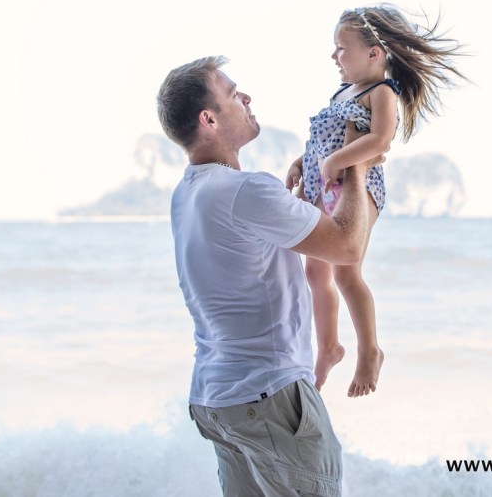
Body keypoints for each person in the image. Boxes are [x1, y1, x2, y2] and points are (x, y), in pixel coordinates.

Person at [157, 55, 377, 497]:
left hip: (217, 400)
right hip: (269, 396)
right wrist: (357, 165)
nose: (247, 98)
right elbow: (348, 246)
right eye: (233, 93)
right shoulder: (245, 190)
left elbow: (251, 246)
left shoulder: (189, 192)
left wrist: (296, 197)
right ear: (209, 118)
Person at [285, 4, 467, 397]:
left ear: (374, 53)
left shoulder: (381, 91)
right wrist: (303, 163)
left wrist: (335, 161)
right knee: (315, 273)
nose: (334, 57)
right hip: (321, 188)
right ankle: (329, 347)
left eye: (340, 48)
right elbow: (324, 139)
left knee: (347, 272)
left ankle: (370, 350)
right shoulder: (340, 92)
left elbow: (381, 140)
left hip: (358, 189)